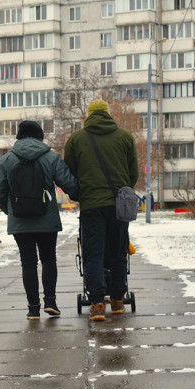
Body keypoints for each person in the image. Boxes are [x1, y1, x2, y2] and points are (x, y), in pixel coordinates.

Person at [0, 121, 78, 320]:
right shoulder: (51, 157)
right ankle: (51, 302)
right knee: (48, 259)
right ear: (40, 137)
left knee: (27, 263)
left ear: (19, 137)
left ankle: (32, 308)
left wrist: (12, 211)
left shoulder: (7, 160)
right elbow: (69, 184)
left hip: (20, 222)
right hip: (46, 220)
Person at [64, 100, 138, 321]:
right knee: (118, 251)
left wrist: (80, 194)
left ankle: (97, 304)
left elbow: (70, 173)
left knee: (93, 254)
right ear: (108, 114)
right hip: (118, 205)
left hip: (91, 205)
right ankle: (117, 301)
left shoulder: (76, 139)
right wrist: (124, 191)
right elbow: (133, 173)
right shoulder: (125, 137)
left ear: (88, 115)